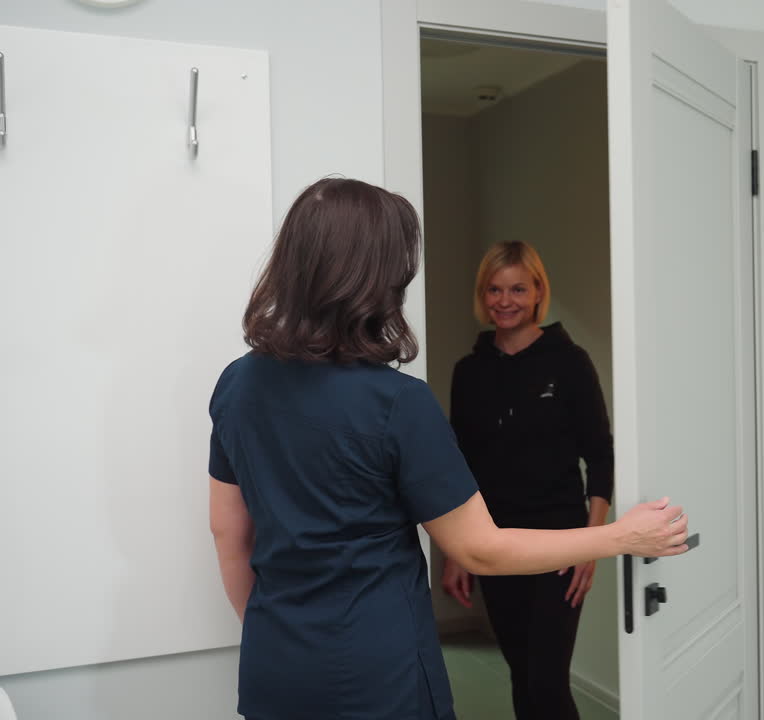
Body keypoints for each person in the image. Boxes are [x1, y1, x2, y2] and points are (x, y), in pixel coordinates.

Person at [207, 178, 689, 720]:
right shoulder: (397, 402)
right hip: (378, 677)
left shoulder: (236, 385)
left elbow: (230, 535)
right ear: (379, 279)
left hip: (275, 667)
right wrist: (623, 536)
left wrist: (285, 637)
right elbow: (479, 548)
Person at [440, 241, 611, 720]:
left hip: (560, 543)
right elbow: (461, 466)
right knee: (520, 674)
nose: (505, 300)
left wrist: (590, 544)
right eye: (494, 289)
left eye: (518, 288)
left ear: (538, 292)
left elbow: (600, 455)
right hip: (495, 543)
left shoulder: (570, 363)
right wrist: (458, 552)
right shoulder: (468, 372)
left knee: (547, 682)